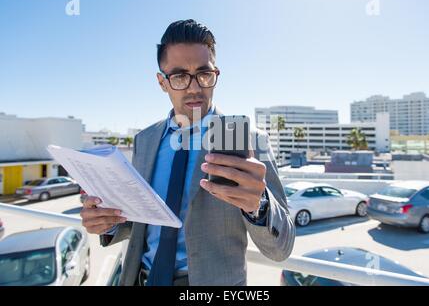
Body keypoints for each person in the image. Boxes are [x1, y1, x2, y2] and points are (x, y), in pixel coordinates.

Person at [80, 19, 295, 286]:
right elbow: (140, 220)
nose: (194, 88)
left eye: (204, 74)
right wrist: (107, 222)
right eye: (180, 76)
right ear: (162, 82)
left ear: (216, 75)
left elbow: (282, 247)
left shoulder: (249, 141)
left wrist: (259, 205)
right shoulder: (145, 140)